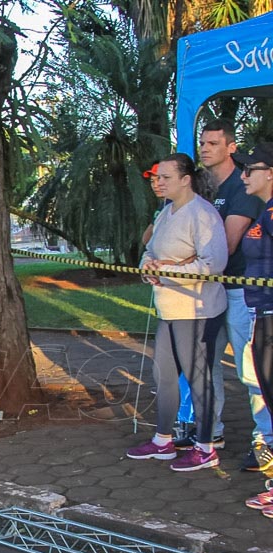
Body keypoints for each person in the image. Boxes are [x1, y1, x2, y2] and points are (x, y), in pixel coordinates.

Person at [126, 153, 228, 472]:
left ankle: (206, 446)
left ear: (186, 180)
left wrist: (167, 270)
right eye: (157, 177)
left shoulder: (203, 214)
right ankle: (163, 440)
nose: (159, 182)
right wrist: (148, 268)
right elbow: (150, 251)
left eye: (166, 177)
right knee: (164, 375)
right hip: (167, 309)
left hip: (197, 310)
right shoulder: (166, 212)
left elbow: (213, 264)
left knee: (199, 378)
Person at [196, 120, 270, 470]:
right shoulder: (207, 187)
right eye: (203, 142)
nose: (205, 148)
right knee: (206, 364)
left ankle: (264, 443)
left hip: (243, 294)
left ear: (231, 147)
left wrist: (181, 264)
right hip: (215, 291)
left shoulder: (243, 191)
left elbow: (225, 246)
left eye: (213, 142)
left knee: (251, 370)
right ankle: (209, 433)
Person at [236, 141, 273, 474]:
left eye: (251, 169)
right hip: (260, 312)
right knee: (261, 386)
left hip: (271, 316)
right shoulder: (265, 209)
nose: (244, 175)